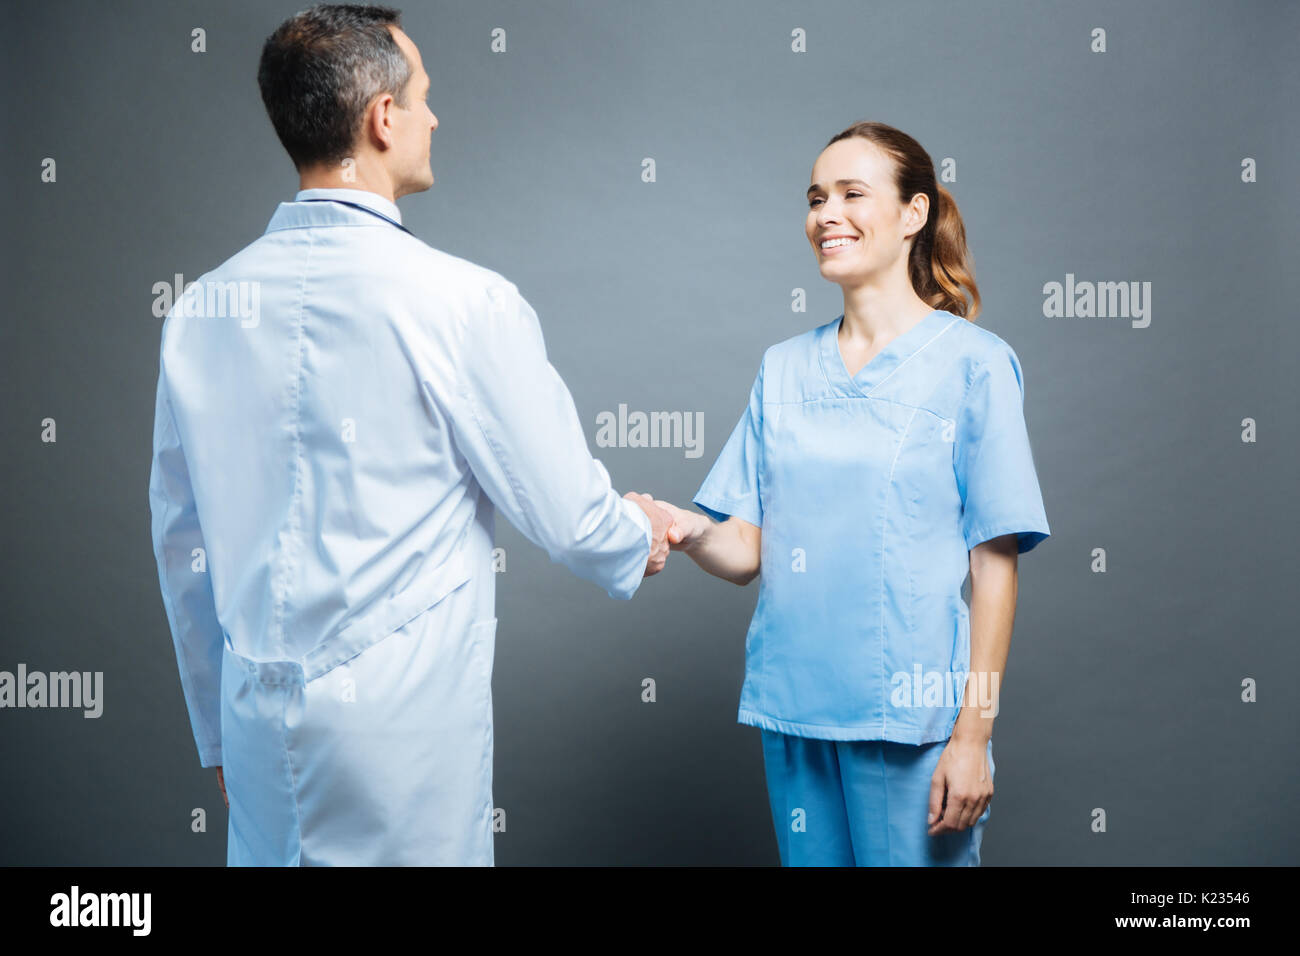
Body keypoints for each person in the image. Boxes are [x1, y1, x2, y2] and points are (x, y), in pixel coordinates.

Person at [147, 3, 675, 866]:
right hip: (400, 743)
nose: (435, 116)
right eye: (424, 96)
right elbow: (573, 519)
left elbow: (182, 540)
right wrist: (639, 535)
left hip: (253, 728)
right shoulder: (463, 302)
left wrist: (215, 734)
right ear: (381, 118)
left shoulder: (202, 306)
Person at [651, 122, 1050, 866]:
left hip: (912, 724)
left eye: (851, 194)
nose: (825, 213)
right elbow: (745, 551)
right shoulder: (782, 370)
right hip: (793, 709)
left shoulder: (975, 365)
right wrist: (681, 525)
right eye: (815, 197)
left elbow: (995, 566)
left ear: (913, 214)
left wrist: (974, 735)